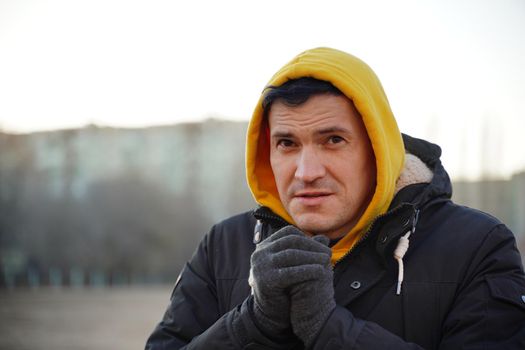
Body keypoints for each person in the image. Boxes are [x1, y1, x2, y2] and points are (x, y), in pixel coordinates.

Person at [146, 47, 525, 349]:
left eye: (333, 140)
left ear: (379, 150)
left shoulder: (478, 247)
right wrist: (252, 323)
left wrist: (330, 328)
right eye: (287, 144)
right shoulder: (223, 246)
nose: (307, 171)